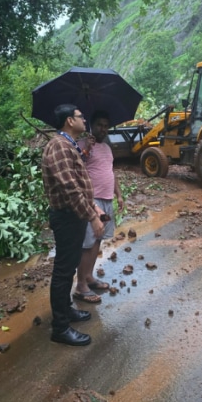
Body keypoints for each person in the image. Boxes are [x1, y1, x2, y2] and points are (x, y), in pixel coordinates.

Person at [40, 104, 105, 346]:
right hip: (67, 216)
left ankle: (66, 310)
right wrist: (91, 216)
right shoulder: (58, 146)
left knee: (68, 268)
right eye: (81, 116)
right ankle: (60, 328)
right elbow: (69, 188)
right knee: (63, 271)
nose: (84, 119)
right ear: (69, 120)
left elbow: (78, 182)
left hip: (73, 216)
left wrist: (93, 207)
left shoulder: (69, 145)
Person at [74, 110, 125, 303]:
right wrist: (85, 148)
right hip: (92, 201)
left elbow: (111, 172)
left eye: (106, 126)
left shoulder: (107, 148)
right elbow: (76, 170)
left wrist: (119, 195)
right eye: (99, 125)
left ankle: (88, 277)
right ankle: (80, 286)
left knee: (98, 240)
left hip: (107, 200)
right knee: (87, 243)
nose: (102, 129)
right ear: (91, 126)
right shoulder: (80, 146)